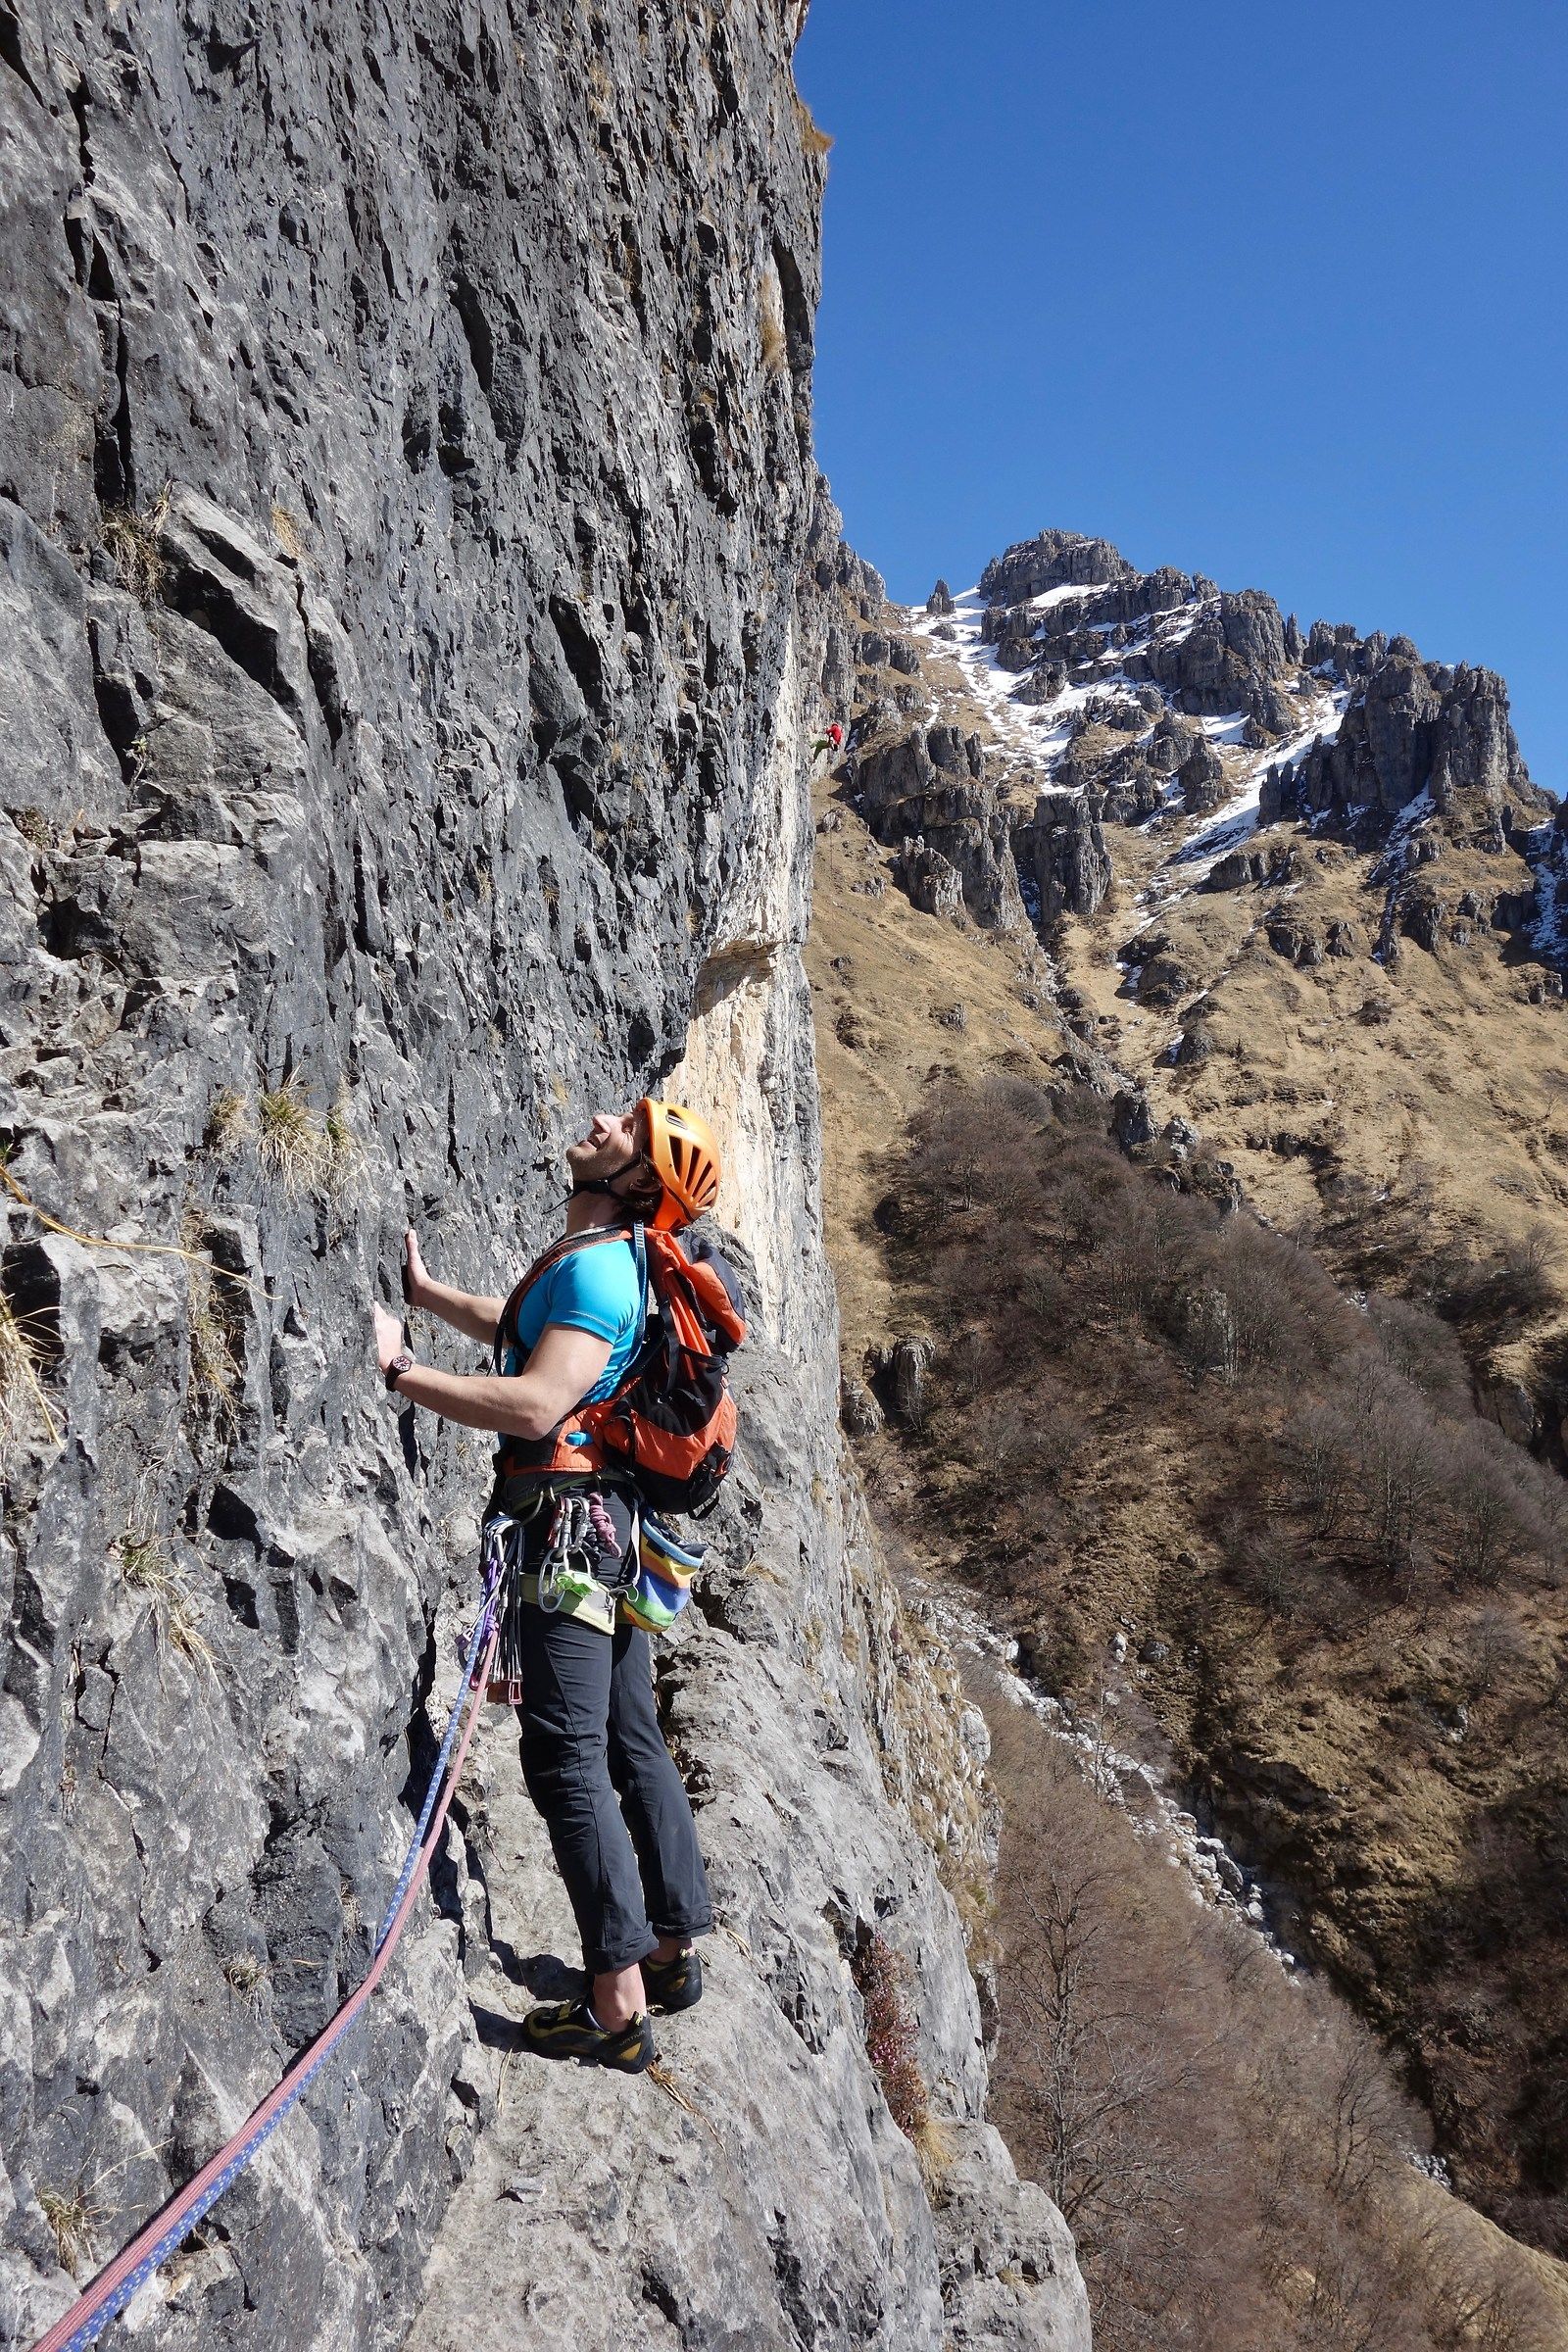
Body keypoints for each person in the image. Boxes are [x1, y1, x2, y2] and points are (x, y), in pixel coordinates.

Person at [371, 1099, 722, 2074]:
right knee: (626, 1735)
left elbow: (534, 1398)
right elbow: (538, 1334)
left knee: (565, 1759)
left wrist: (401, 1369)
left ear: (637, 1180)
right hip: (611, 1528)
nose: (605, 1117)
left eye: (627, 1128)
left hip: (568, 1530)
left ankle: (615, 2008)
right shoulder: (613, 1265)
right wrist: (434, 1295)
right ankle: (670, 1950)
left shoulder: (603, 1266)